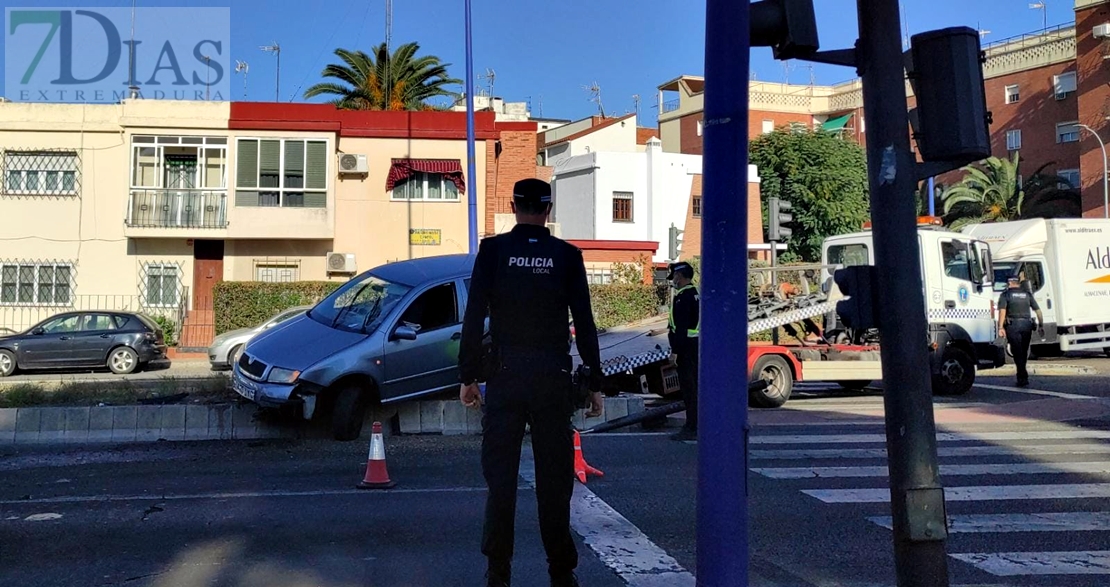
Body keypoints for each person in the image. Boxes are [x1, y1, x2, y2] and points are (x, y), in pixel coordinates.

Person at [458, 177, 603, 587]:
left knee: (500, 483)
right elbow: (585, 323)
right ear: (549, 209)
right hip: (552, 380)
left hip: (505, 378)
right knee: (554, 483)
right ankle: (561, 572)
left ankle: (498, 573)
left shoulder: (493, 251)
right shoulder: (567, 256)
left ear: (514, 204)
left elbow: (473, 319)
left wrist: (468, 376)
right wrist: (595, 381)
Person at [666, 261, 700, 441]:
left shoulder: (683, 297)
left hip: (686, 349)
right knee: (695, 387)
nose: (674, 281)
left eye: (675, 277)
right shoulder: (696, 294)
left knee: (689, 389)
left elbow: (680, 328)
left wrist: (675, 352)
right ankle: (696, 424)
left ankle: (692, 426)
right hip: (694, 346)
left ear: (680, 276)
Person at [998, 274, 1044, 387]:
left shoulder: (1006, 295)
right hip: (1026, 325)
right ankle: (1023, 375)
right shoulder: (1027, 294)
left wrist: (1000, 327)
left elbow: (1002, 312)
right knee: (1023, 351)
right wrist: (1041, 325)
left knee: (1017, 351)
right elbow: (1038, 311)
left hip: (1013, 325)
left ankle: (1022, 375)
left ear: (1009, 283)